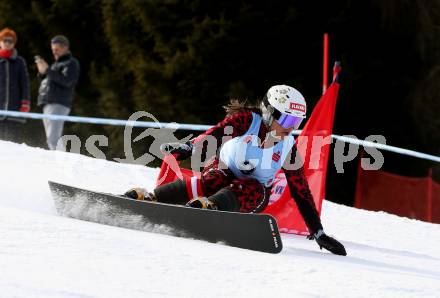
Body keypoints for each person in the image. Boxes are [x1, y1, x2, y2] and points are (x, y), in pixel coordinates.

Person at [126, 85, 347, 256]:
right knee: (215, 177)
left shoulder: (288, 146)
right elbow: (216, 133)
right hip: (221, 173)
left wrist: (318, 231)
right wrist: (190, 147)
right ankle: (155, 198)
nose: (291, 128)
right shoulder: (247, 121)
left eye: (297, 122)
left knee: (251, 186)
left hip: (252, 196)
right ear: (269, 113)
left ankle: (213, 206)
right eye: (288, 119)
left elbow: (301, 191)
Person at [35, 35, 79, 150]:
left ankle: (60, 162)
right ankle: (58, 161)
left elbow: (67, 81)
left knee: (53, 138)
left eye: (57, 49)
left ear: (65, 47)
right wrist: (42, 73)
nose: (54, 52)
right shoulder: (55, 65)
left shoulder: (71, 63)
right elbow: (49, 82)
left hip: (59, 103)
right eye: (53, 49)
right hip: (48, 103)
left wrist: (48, 70)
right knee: (51, 138)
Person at [0, 27, 30, 143]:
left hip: (14, 108)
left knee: (13, 142)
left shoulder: (19, 61)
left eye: (10, 41)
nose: (7, 43)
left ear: (14, 43)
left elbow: (25, 83)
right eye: (5, 40)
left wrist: (25, 103)